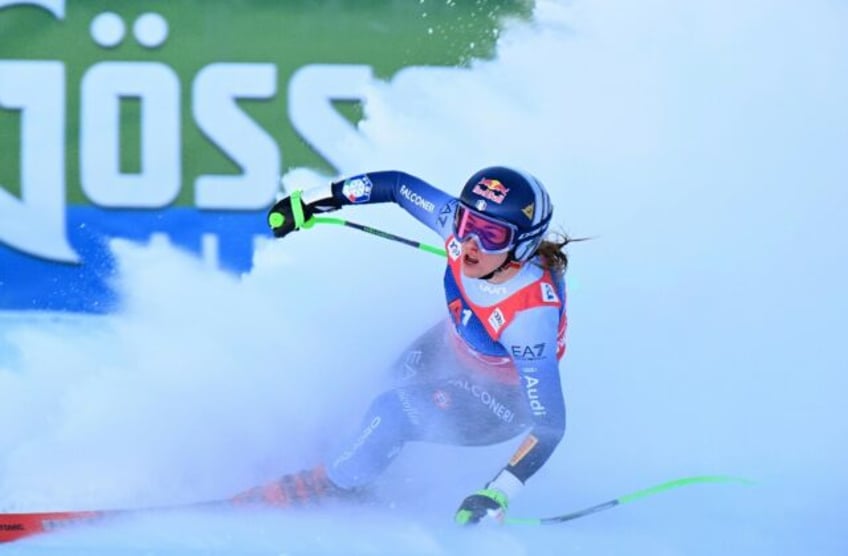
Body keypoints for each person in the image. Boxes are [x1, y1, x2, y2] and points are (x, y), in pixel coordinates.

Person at [239, 166, 573, 526]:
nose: (471, 244)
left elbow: (550, 425)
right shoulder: (459, 233)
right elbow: (397, 186)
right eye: (466, 224)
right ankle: (346, 465)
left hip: (498, 403)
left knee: (394, 410)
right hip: (455, 345)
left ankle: (333, 485)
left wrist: (498, 491)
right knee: (380, 390)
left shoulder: (529, 317)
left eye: (490, 235)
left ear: (522, 245)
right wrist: (311, 200)